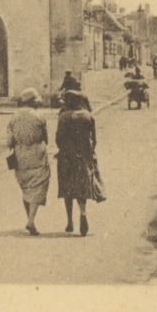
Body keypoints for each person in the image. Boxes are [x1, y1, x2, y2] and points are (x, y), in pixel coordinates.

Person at [55, 89, 102, 236]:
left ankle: (69, 221)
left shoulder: (63, 117)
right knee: (82, 187)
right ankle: (82, 212)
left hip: (66, 158)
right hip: (83, 157)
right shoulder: (88, 116)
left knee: (67, 188)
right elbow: (94, 140)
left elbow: (58, 139)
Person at [6, 104, 51, 235]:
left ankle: (30, 220)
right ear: (33, 102)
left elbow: (9, 142)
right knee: (38, 185)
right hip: (37, 155)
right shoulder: (39, 117)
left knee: (26, 187)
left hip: (20, 156)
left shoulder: (14, 118)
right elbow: (45, 138)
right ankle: (31, 220)